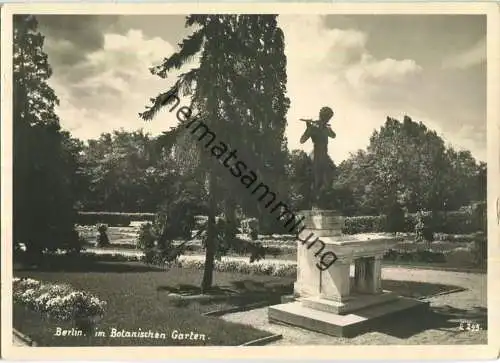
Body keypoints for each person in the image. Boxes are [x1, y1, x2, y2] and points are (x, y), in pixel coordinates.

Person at [299, 106, 336, 207]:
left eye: (329, 118)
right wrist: (308, 128)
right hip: (316, 155)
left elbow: (333, 135)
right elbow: (302, 140)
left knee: (330, 175)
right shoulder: (313, 127)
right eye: (327, 118)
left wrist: (328, 127)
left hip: (324, 154)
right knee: (318, 179)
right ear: (323, 116)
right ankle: (314, 202)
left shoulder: (325, 128)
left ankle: (322, 200)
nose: (328, 120)